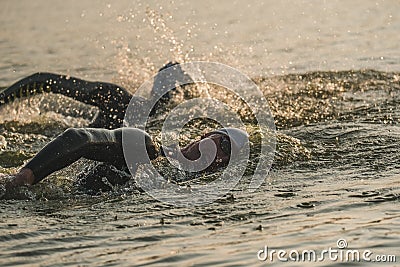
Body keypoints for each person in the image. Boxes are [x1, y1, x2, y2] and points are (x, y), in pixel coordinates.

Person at [1, 62, 249, 193]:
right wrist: (24, 178)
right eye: (224, 144)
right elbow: (78, 137)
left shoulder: (173, 180)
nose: (221, 156)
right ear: (207, 134)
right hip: (59, 159)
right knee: (117, 98)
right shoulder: (147, 146)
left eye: (228, 160)